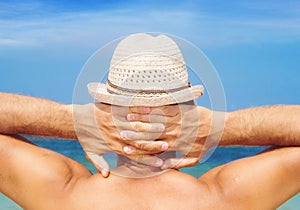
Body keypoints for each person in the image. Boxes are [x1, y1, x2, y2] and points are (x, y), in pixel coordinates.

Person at [1, 33, 299, 209]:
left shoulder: (64, 194)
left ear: (103, 108)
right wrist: (220, 128)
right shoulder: (222, 197)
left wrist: (73, 120)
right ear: (190, 107)